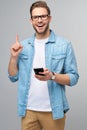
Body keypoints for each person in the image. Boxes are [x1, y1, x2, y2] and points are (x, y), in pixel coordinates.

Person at [8, 1, 79, 130]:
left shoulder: (64, 44)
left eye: (43, 16)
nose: (39, 20)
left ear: (49, 18)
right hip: (28, 110)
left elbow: (73, 78)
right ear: (31, 20)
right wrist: (14, 57)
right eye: (36, 17)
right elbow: (13, 77)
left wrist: (52, 76)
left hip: (54, 111)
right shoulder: (23, 46)